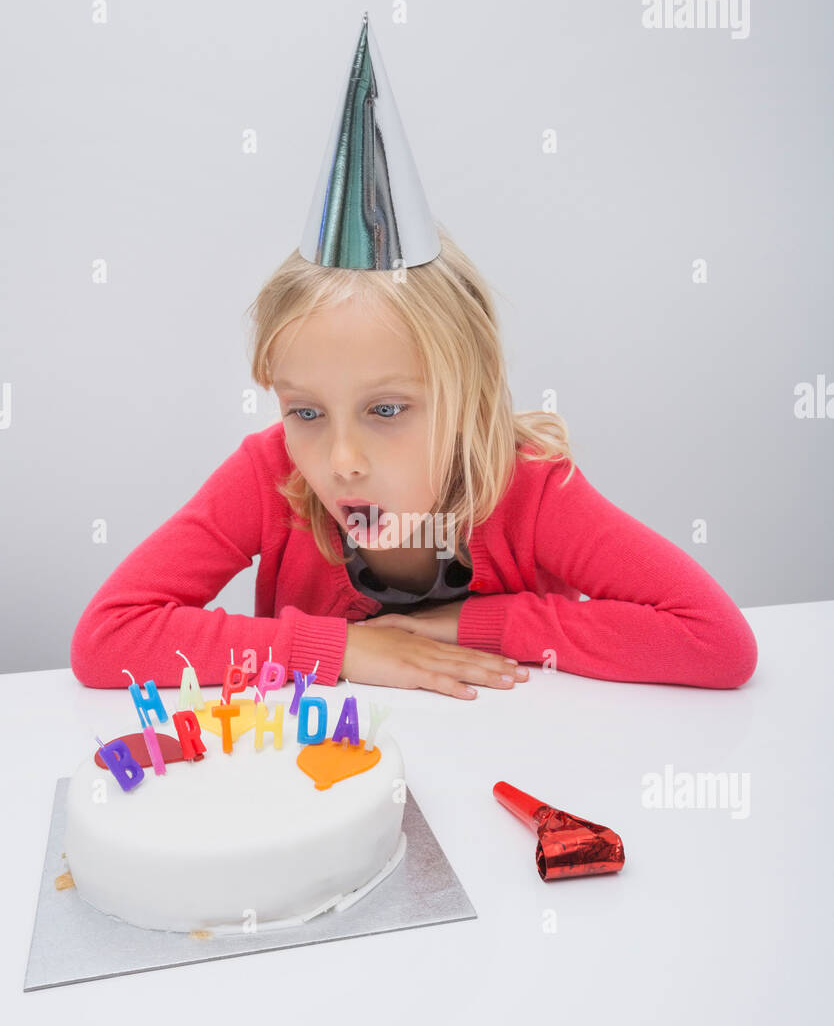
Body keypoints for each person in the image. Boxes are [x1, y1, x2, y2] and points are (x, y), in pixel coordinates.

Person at [70, 228, 757, 699]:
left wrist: (477, 627)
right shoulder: (266, 476)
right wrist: (341, 651)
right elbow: (107, 638)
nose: (341, 462)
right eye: (305, 413)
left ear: (471, 395)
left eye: (387, 410)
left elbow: (716, 642)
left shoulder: (531, 490)